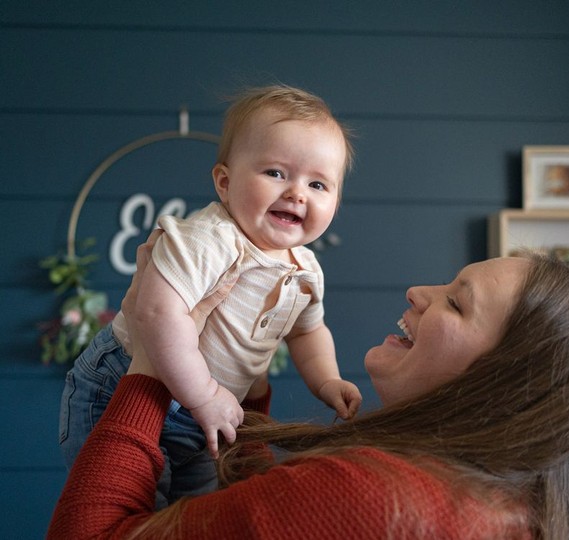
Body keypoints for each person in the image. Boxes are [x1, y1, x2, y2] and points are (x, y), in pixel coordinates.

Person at [49, 239, 569, 539]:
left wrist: (153, 361)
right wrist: (246, 387)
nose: (418, 291)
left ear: (502, 387)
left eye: (457, 302)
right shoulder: (497, 508)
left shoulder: (381, 500)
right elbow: (259, 521)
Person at [58, 85, 362, 507]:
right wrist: (202, 394)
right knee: (132, 508)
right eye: (276, 173)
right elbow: (157, 312)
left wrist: (326, 379)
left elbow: (308, 332)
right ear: (225, 181)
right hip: (128, 386)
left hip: (209, 413)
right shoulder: (211, 238)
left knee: (190, 515)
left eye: (318, 184)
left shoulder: (306, 269)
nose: (297, 193)